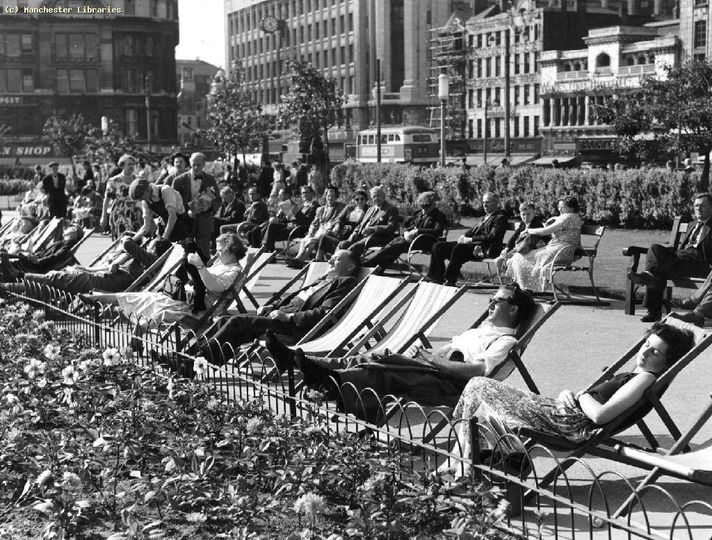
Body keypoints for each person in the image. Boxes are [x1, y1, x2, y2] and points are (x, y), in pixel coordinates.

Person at [265, 284, 536, 423]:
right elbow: (447, 352)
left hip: (454, 385)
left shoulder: (505, 340)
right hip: (435, 368)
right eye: (490, 299)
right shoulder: (481, 329)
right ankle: (308, 364)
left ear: (512, 310)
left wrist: (432, 359)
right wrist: (428, 353)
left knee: (382, 368)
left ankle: (327, 379)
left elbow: (478, 372)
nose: (490, 303)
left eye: (497, 301)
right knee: (378, 358)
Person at [447, 322, 693, 466]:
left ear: (668, 362)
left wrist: (581, 396)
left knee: (479, 386)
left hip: (570, 423)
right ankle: (467, 462)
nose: (646, 353)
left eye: (656, 353)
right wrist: (570, 394)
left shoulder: (645, 379)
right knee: (479, 392)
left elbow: (600, 416)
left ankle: (464, 463)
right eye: (646, 344)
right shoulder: (637, 374)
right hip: (565, 412)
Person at [168, 249, 361, 369]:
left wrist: (289, 316)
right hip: (278, 316)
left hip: (295, 327)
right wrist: (274, 306)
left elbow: (325, 314)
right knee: (227, 320)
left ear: (350, 266)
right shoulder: (325, 279)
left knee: (237, 322)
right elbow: (298, 298)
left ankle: (190, 364)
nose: (329, 261)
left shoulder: (346, 283)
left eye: (336, 259)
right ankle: (187, 359)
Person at [82, 232, 245, 324]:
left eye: (220, 250)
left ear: (231, 251)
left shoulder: (234, 271)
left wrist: (201, 267)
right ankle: (98, 299)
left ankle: (105, 305)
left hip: (200, 308)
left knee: (155, 302)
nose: (216, 253)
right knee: (147, 296)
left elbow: (215, 286)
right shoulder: (220, 264)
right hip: (188, 297)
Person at [629, 193, 712, 322]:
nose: (698, 209)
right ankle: (649, 276)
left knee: (657, 271)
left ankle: (653, 310)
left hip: (698, 264)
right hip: (680, 260)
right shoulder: (692, 224)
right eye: (696, 206)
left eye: (703, 206)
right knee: (654, 249)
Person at [9, 237, 171, 295]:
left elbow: (128, 243)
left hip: (107, 282)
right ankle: (13, 282)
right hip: (109, 279)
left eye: (151, 245)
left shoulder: (152, 259)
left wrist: (136, 241)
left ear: (156, 249)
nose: (148, 246)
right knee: (55, 281)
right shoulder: (147, 260)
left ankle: (17, 277)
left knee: (57, 278)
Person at [426, 192, 508, 286]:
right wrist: (464, 236)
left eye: (487, 202)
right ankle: (435, 277)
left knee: (459, 249)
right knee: (438, 246)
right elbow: (472, 230)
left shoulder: (500, 218)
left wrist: (470, 240)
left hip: (484, 248)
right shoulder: (485, 217)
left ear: (496, 203)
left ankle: (450, 279)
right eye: (483, 202)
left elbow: (493, 236)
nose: (484, 204)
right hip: (471, 245)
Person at [504, 196, 582, 292]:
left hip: (558, 251)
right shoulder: (575, 217)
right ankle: (525, 287)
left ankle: (525, 288)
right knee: (521, 256)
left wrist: (529, 230)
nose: (560, 209)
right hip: (564, 251)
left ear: (571, 207)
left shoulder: (567, 217)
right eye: (559, 206)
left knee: (520, 257)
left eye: (563, 207)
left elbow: (544, 232)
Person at [362, 191, 447, 270]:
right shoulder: (418, 213)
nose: (424, 209)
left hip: (425, 241)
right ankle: (378, 267)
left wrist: (418, 231)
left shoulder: (439, 215)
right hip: (411, 239)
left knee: (396, 246)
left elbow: (438, 231)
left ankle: (372, 264)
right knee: (391, 245)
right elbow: (407, 224)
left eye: (426, 207)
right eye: (422, 207)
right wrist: (406, 232)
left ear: (433, 204)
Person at [173, 152, 221, 257]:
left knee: (204, 254)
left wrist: (209, 206)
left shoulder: (210, 180)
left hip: (203, 222)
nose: (195, 167)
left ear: (204, 165)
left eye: (199, 165)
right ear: (189, 163)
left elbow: (217, 200)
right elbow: (173, 202)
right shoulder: (179, 181)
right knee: (183, 254)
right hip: (184, 222)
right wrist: (186, 212)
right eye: (193, 164)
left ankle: (205, 273)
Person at [287, 185, 346, 267]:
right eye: (328, 196)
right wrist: (311, 232)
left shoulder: (340, 207)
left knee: (311, 241)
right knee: (305, 240)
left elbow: (339, 220)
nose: (330, 198)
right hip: (318, 231)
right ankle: (298, 259)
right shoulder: (321, 209)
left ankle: (299, 260)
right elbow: (314, 223)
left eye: (333, 196)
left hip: (328, 233)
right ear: (326, 196)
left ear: (336, 197)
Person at [0, 225, 83, 280]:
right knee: (18, 255)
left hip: (40, 265)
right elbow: (48, 252)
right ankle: (6, 258)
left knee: (18, 258)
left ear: (74, 232)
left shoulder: (69, 243)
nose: (66, 229)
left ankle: (9, 265)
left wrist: (40, 260)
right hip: (39, 260)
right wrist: (37, 255)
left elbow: (57, 256)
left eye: (70, 228)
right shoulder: (64, 242)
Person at [338, 185, 399, 258]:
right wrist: (354, 233)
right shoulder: (370, 209)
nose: (376, 198)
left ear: (383, 196)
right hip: (361, 236)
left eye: (379, 195)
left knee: (355, 247)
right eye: (374, 197)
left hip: (378, 237)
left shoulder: (391, 209)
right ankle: (335, 261)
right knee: (343, 244)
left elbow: (392, 227)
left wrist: (373, 229)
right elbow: (361, 224)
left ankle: (347, 264)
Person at [128, 178, 192, 243]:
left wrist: (164, 238)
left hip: (182, 226)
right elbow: (146, 227)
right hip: (165, 227)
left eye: (141, 197)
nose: (141, 200)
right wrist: (132, 240)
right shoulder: (145, 202)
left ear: (147, 189)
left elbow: (173, 217)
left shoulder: (165, 190)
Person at [258, 185, 320, 251]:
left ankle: (266, 248)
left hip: (300, 230)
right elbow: (295, 218)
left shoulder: (315, 206)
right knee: (266, 228)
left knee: (271, 228)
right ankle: (267, 250)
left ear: (312, 193)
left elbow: (308, 221)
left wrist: (296, 213)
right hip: (291, 226)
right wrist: (288, 217)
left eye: (306, 192)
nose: (304, 194)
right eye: (302, 193)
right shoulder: (303, 205)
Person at [493, 202, 546, 274]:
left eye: (528, 214)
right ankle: (514, 279)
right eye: (523, 214)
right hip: (520, 249)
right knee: (499, 260)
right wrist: (507, 247)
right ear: (520, 215)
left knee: (506, 261)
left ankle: (516, 279)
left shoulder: (536, 225)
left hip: (531, 252)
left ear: (534, 213)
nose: (526, 217)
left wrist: (511, 254)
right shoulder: (523, 224)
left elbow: (528, 243)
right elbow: (514, 236)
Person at [102, 154, 143, 239]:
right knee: (122, 239)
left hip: (136, 213)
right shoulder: (114, 181)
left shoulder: (138, 179)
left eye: (133, 164)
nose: (131, 166)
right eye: (129, 164)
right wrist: (104, 216)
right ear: (122, 165)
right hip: (120, 213)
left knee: (136, 240)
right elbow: (107, 199)